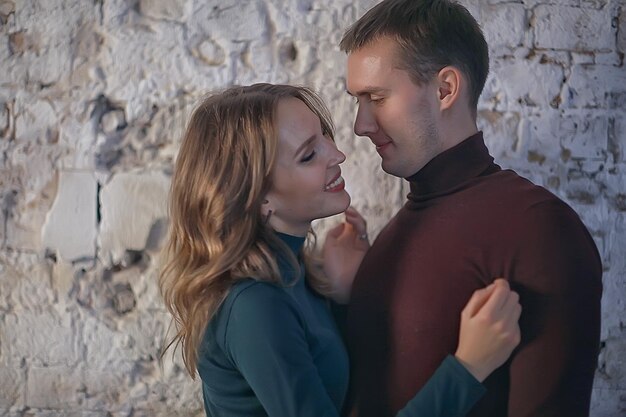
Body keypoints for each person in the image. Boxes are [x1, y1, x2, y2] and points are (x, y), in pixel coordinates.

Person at [159, 83, 521, 417]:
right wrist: (470, 367)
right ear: (259, 196)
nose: (338, 154)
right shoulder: (254, 304)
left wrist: (341, 297)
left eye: (325, 137)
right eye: (308, 155)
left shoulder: (288, 270)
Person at [332, 0, 603, 416]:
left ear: (445, 89)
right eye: (358, 101)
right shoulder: (392, 236)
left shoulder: (539, 229)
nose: (360, 125)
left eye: (376, 97)